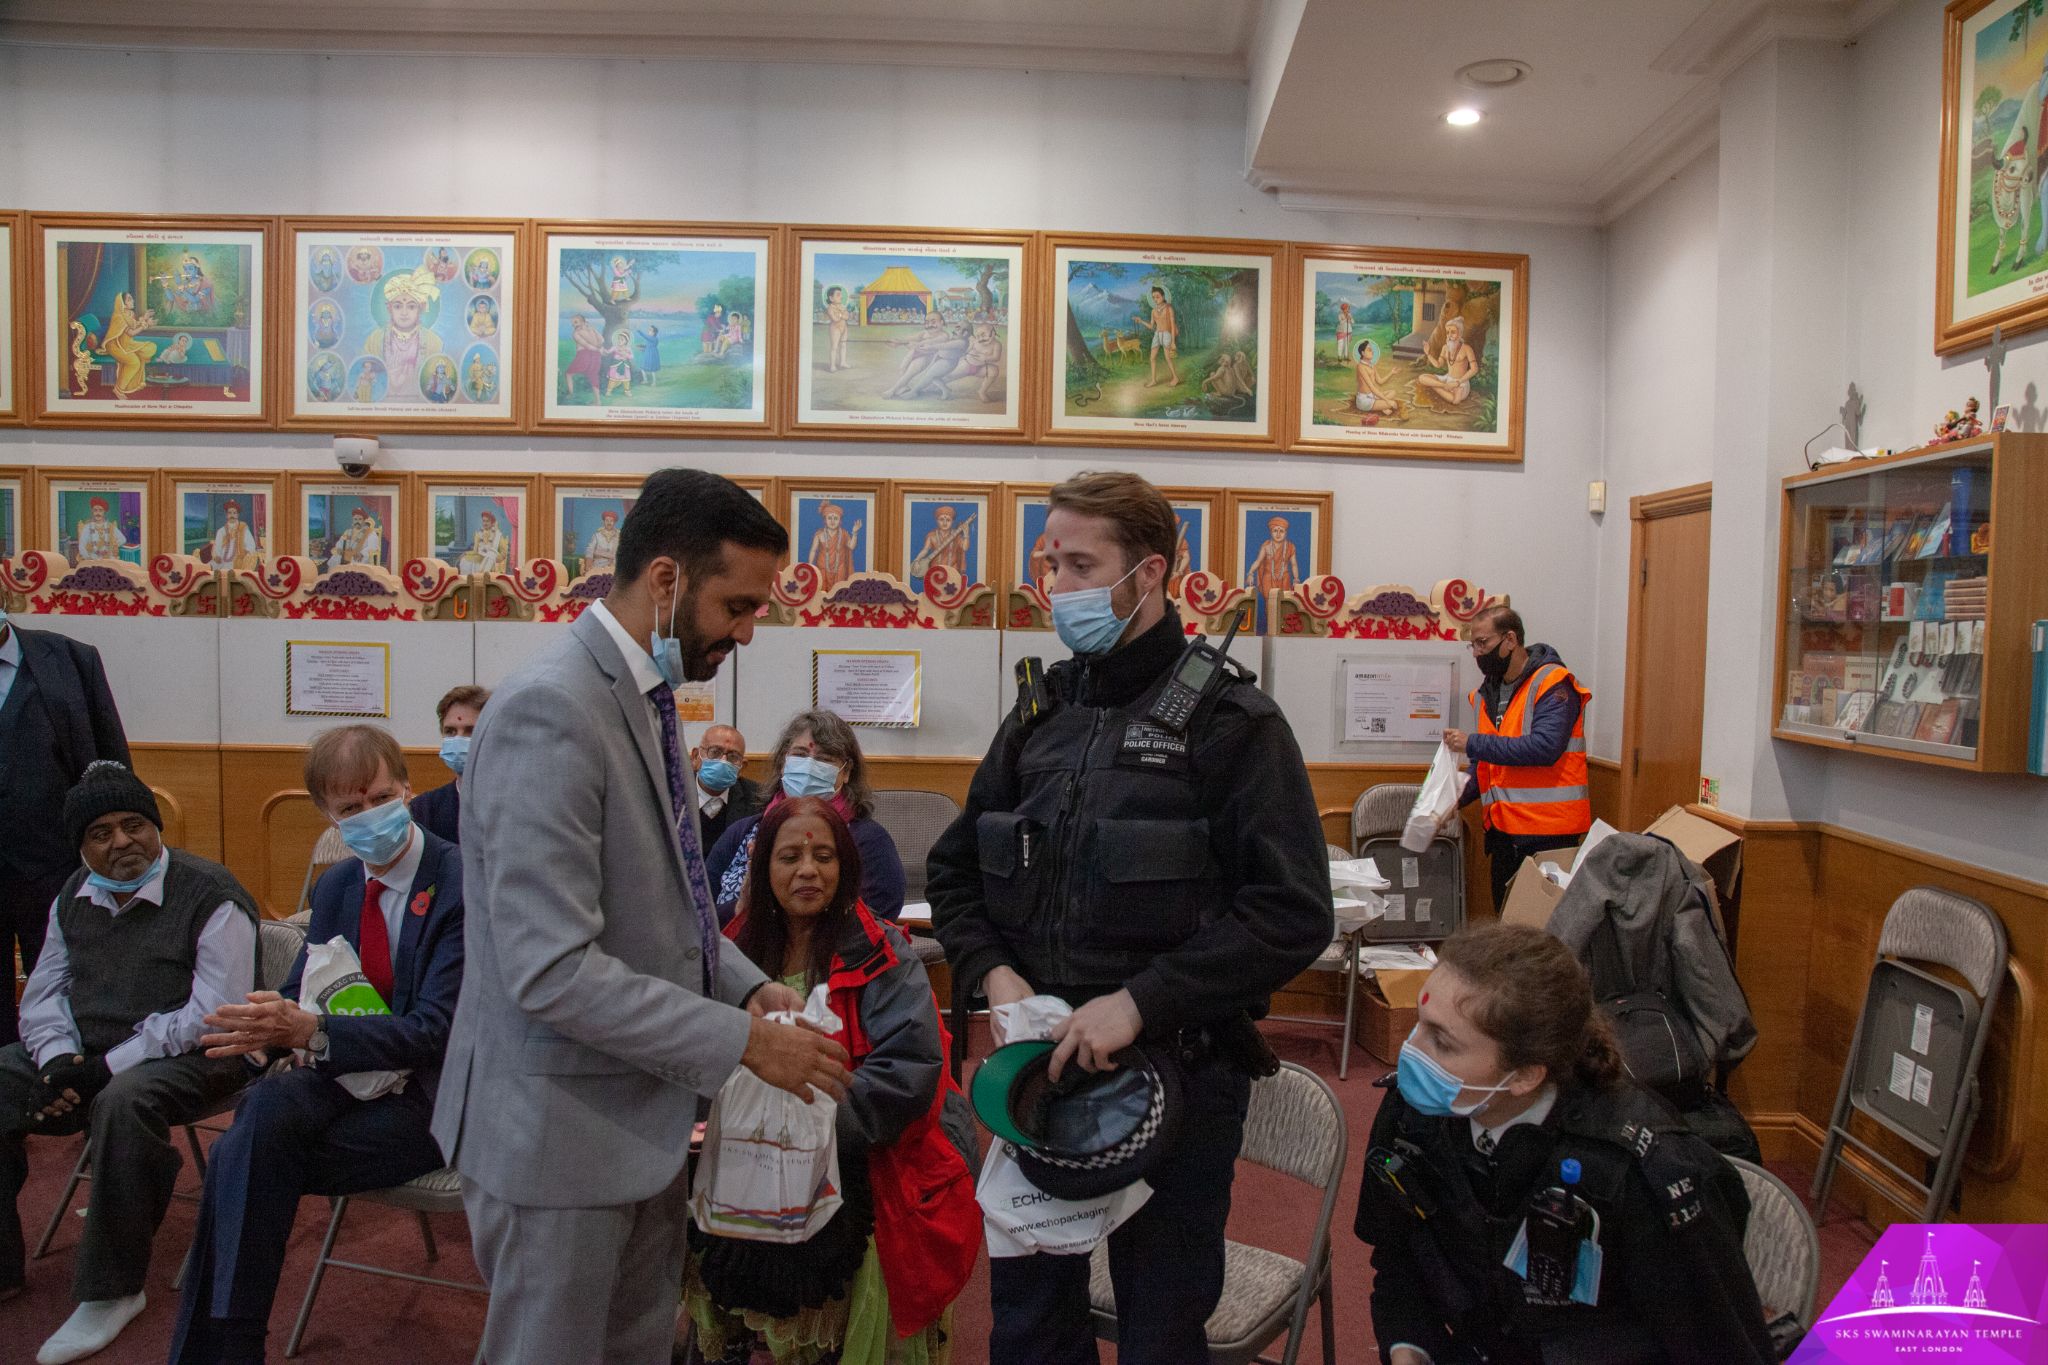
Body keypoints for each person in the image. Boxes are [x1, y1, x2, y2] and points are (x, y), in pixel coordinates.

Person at [431, 468, 851, 1364]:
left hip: (632, 1120)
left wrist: (750, 988)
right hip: (557, 1135)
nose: (746, 631)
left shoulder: (639, 696)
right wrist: (740, 1043)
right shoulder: (553, 707)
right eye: (736, 605)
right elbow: (550, 970)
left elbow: (672, 898)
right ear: (666, 580)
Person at [928, 471, 1331, 1365]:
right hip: (1043, 1077)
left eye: (1080, 564)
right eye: (1048, 560)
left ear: (1147, 575)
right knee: (1030, 1329)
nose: (1056, 583)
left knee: (1159, 1333)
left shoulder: (1236, 724)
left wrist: (1142, 1000)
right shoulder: (1040, 714)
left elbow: (1293, 912)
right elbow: (955, 871)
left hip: (1177, 1073)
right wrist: (993, 970)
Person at [168, 726, 465, 1364]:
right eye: (350, 809)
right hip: (345, 1078)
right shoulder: (335, 887)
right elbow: (305, 983)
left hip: (434, 1096)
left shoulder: (461, 881)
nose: (370, 816)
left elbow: (435, 1031)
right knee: (259, 1126)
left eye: (381, 797)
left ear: (409, 788)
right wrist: (262, 1038)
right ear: (327, 815)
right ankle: (234, 1345)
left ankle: (227, 1347)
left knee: (235, 1163)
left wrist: (313, 1032)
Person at [1353, 923, 1773, 1365]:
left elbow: (1722, 1350)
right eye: (1420, 1026)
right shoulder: (1414, 1117)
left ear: (1525, 1076)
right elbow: (1400, 1265)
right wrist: (1409, 1348)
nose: (1411, 1051)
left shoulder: (1640, 1174)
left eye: (1443, 1042)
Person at [685, 797, 978, 1365]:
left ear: (844, 867)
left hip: (856, 1164)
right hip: (737, 1163)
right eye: (789, 856)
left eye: (823, 856)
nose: (808, 871)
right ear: (764, 868)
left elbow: (909, 1073)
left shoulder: (882, 952)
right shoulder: (729, 956)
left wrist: (806, 1136)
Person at [2, 761, 256, 1364]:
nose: (121, 842)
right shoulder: (73, 894)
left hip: (208, 1052)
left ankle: (112, 1290)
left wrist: (101, 1070)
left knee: (123, 1099)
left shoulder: (210, 893)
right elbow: (43, 992)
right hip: (94, 1051)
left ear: (155, 826)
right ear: (82, 847)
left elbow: (212, 1014)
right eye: (101, 833)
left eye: (134, 824)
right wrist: (59, 1062)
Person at [0, 614, 131, 1048]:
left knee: (64, 993)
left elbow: (112, 767)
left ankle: (65, 1091)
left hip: (57, 869)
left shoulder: (72, 660)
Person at [1442, 606, 1593, 913]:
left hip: (1549, 835)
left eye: (1483, 643)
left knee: (1543, 928)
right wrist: (1454, 798)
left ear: (1510, 639)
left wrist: (1472, 742)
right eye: (1473, 645)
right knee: (1508, 919)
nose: (1477, 653)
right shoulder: (1485, 695)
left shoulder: (1554, 684)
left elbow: (1544, 748)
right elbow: (1486, 764)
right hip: (1503, 833)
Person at [708, 710, 906, 925]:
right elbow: (700, 908)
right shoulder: (743, 832)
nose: (809, 766)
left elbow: (878, 918)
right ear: (783, 762)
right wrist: (742, 907)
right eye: (800, 755)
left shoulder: (868, 840)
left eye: (824, 759)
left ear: (846, 771)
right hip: (737, 952)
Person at [411, 684, 489, 844]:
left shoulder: (516, 806)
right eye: (450, 731)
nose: (458, 739)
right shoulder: (424, 809)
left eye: (470, 731)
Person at [692, 722, 766, 849]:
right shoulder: (672, 793)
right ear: (695, 757)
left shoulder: (758, 800)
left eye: (733, 756)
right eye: (714, 752)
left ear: (742, 767)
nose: (723, 761)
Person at [1130, 284, 1181, 388]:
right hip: (1157, 334)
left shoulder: (1169, 308)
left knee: (1168, 357)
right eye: (1153, 297)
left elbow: (1172, 324)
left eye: (1157, 296)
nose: (1155, 299)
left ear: (1163, 296)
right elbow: (1151, 326)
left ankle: (1175, 377)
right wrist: (1140, 321)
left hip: (1167, 334)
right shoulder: (1153, 311)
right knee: (1152, 357)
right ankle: (1153, 380)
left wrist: (1173, 342)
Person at [207, 500, 260, 571]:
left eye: (234, 513)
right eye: (230, 513)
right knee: (208, 568)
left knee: (225, 571)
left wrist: (246, 554)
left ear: (237, 515)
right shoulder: (221, 531)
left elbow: (251, 545)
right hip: (222, 559)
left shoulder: (243, 528)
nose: (232, 515)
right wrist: (217, 556)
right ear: (226, 515)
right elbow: (217, 546)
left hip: (238, 560)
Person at [582, 507, 622, 577]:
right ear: (603, 521)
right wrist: (588, 568)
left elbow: (621, 553)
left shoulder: (619, 536)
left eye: (611, 521)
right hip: (598, 566)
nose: (609, 523)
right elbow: (589, 551)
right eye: (607, 520)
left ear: (614, 522)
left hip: (614, 567)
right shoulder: (597, 536)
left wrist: (598, 553)